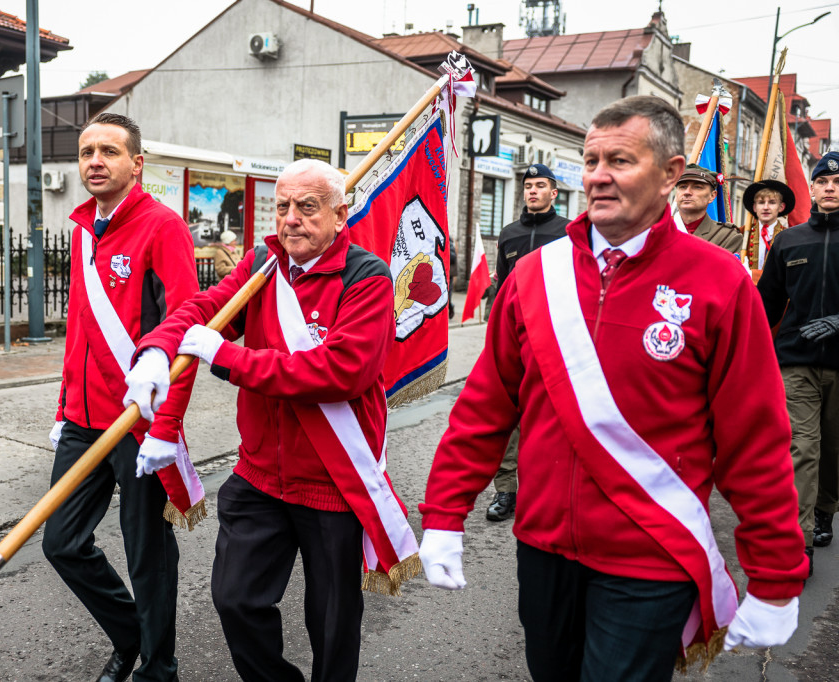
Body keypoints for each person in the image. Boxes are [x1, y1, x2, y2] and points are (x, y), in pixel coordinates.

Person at [419, 96, 807, 681]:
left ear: (671, 174)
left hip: (650, 553)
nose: (598, 176)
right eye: (591, 159)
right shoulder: (534, 276)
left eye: (620, 160)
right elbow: (485, 407)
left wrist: (775, 575)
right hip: (544, 548)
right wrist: (444, 514)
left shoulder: (719, 281)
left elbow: (755, 439)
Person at [123, 159, 418, 681]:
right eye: (283, 207)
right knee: (235, 600)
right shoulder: (263, 265)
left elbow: (340, 372)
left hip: (333, 481)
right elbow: (203, 309)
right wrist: (154, 351)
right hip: (260, 476)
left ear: (339, 215)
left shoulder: (366, 276)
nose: (291, 219)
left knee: (332, 623)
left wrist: (228, 358)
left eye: (307, 207)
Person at [42, 112, 199, 682]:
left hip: (138, 424)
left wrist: (166, 426)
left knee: (147, 557)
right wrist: (64, 409)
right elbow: (80, 330)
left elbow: (187, 328)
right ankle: (134, 634)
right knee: (60, 543)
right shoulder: (84, 230)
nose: (94, 162)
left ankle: (158, 668)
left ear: (137, 163)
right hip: (84, 421)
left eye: (108, 151)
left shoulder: (163, 227)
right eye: (86, 152)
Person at [757, 151, 839, 573]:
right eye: (823, 182)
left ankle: (826, 507)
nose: (830, 188)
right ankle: (799, 539)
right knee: (802, 448)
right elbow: (766, 303)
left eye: (838, 182)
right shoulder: (790, 241)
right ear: (813, 188)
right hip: (796, 362)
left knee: (833, 449)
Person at [481, 163, 570, 522]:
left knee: (551, 417)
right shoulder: (509, 233)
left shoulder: (569, 232)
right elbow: (501, 288)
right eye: (528, 185)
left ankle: (547, 490)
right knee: (508, 417)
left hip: (555, 337)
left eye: (540, 185)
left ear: (554, 193)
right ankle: (506, 492)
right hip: (515, 339)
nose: (532, 191)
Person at [674, 163, 743, 254]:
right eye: (683, 187)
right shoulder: (656, 231)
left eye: (697, 187)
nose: (687, 192)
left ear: (712, 196)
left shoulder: (727, 237)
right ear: (676, 194)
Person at [742, 179, 795, 270]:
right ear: (754, 207)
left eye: (772, 202)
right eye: (761, 203)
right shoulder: (742, 233)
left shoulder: (790, 236)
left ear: (781, 207)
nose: (766, 207)